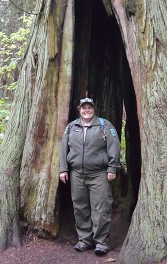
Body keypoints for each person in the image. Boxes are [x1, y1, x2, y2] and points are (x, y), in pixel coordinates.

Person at [59, 97, 120, 256]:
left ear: (94, 109)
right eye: (84, 108)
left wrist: (112, 168)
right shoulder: (72, 127)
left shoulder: (104, 125)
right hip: (77, 174)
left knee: (100, 208)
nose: (87, 110)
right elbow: (63, 149)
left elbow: (114, 147)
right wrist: (63, 169)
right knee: (80, 207)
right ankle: (84, 240)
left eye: (89, 108)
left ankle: (101, 242)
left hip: (98, 174)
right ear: (79, 110)